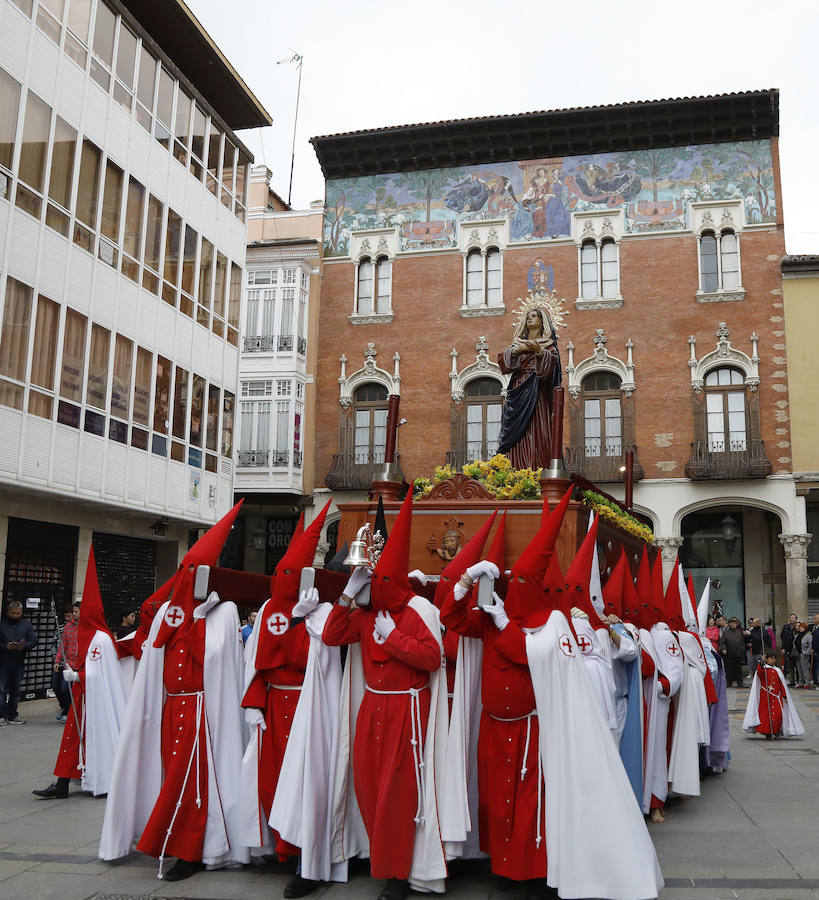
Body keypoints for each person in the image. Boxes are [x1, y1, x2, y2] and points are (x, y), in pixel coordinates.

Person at [99, 501, 249, 882]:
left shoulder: (224, 611)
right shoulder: (170, 610)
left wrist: (198, 621)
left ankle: (195, 847)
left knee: (195, 781)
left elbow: (215, 657)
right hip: (171, 708)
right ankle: (170, 836)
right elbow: (154, 647)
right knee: (171, 777)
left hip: (203, 711)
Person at [323, 490, 447, 900]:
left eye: (374, 579)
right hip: (372, 706)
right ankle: (378, 854)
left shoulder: (416, 612)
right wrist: (346, 592)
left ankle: (398, 872)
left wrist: (393, 639)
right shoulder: (365, 612)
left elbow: (431, 658)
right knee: (369, 785)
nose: (371, 586)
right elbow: (331, 636)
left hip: (407, 712)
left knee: (399, 794)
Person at [239, 501, 332, 897]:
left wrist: (303, 621)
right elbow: (258, 661)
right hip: (275, 707)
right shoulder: (266, 610)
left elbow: (314, 659)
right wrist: (256, 702)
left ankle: (306, 858)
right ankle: (282, 849)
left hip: (308, 708)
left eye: (289, 574)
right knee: (272, 781)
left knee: (305, 784)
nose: (281, 579)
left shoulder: (321, 611)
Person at [33, 547, 128, 799]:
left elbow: (101, 674)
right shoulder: (90, 636)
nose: (76, 616)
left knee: (85, 738)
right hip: (83, 697)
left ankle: (95, 778)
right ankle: (63, 782)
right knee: (72, 739)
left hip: (93, 699)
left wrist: (78, 676)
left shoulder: (101, 639)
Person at [497, 306, 561, 470]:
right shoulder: (518, 344)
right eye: (528, 316)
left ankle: (537, 467)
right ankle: (516, 470)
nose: (530, 318)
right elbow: (504, 364)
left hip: (537, 391)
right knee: (516, 432)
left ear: (542, 321)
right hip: (519, 389)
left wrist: (539, 350)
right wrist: (519, 349)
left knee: (538, 429)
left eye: (534, 316)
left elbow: (551, 371)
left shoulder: (549, 346)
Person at [742, 650, 804, 738]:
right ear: (767, 659)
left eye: (774, 658)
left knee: (778, 715)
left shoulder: (777, 671)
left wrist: (784, 695)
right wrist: (761, 662)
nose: (773, 660)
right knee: (766, 716)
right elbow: (760, 672)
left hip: (776, 698)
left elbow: (781, 684)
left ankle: (777, 731)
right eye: (771, 658)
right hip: (765, 697)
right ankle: (768, 732)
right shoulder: (763, 669)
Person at [0, 600, 38, 725]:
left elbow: (33, 641)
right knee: (2, 689)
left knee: (15, 690)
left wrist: (24, 646)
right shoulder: (2, 625)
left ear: (22, 612)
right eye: (13, 613)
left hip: (19, 662)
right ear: (8, 612)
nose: (15, 615)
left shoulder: (26, 625)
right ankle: (2, 715)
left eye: (18, 613)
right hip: (4, 662)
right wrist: (6, 647)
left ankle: (12, 715)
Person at [719, 618, 747, 687]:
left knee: (739, 670)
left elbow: (742, 642)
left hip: (738, 653)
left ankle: (740, 683)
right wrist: (723, 649)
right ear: (730, 624)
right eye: (734, 623)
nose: (735, 624)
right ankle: (729, 683)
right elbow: (722, 642)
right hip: (729, 654)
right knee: (729, 670)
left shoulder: (738, 631)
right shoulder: (726, 632)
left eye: (736, 623)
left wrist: (742, 650)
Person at [781, 613, 799, 686]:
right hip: (787, 649)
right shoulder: (786, 627)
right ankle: (791, 681)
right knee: (789, 666)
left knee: (797, 667)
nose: (791, 619)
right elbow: (783, 638)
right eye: (790, 618)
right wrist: (783, 648)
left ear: (796, 619)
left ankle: (798, 681)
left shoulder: (798, 627)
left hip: (795, 649)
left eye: (793, 618)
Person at [796, 623, 812, 688]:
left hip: (804, 654)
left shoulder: (808, 635)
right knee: (799, 669)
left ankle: (807, 682)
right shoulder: (799, 635)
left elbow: (810, 644)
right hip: (798, 654)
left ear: (805, 628)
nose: (800, 628)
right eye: (800, 627)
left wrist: (806, 652)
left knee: (805, 669)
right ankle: (801, 682)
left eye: (802, 627)